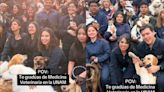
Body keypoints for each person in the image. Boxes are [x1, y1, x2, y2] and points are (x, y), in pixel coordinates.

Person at [132, 24, 164, 92]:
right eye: (143, 35)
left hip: (161, 70)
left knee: (161, 82)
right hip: (146, 69)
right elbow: (141, 60)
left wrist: (159, 67)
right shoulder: (140, 46)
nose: (146, 37)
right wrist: (139, 62)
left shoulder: (162, 44)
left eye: (148, 33)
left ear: (154, 33)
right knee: (134, 80)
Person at [86, 23, 110, 90]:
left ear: (96, 32)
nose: (91, 32)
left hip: (104, 64)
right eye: (89, 31)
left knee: (104, 79)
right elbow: (86, 57)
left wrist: (98, 59)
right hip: (92, 65)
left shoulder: (104, 42)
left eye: (93, 30)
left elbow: (107, 53)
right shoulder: (87, 45)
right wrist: (88, 64)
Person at [68, 24, 87, 92]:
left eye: (84, 34)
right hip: (77, 70)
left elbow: (93, 64)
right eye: (79, 34)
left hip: (89, 71)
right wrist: (69, 76)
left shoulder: (91, 45)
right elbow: (71, 61)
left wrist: (83, 74)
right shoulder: (74, 45)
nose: (81, 36)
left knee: (82, 88)